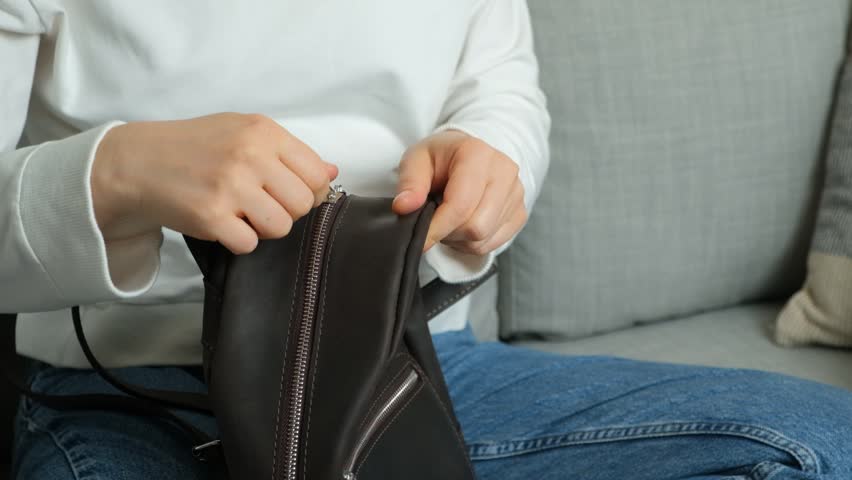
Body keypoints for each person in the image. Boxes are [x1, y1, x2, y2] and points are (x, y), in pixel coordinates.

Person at [2, 1, 851, 479]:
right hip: (127, 393)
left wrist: (495, 161)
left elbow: (501, 96)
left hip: (410, 365)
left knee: (814, 444)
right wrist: (117, 172)